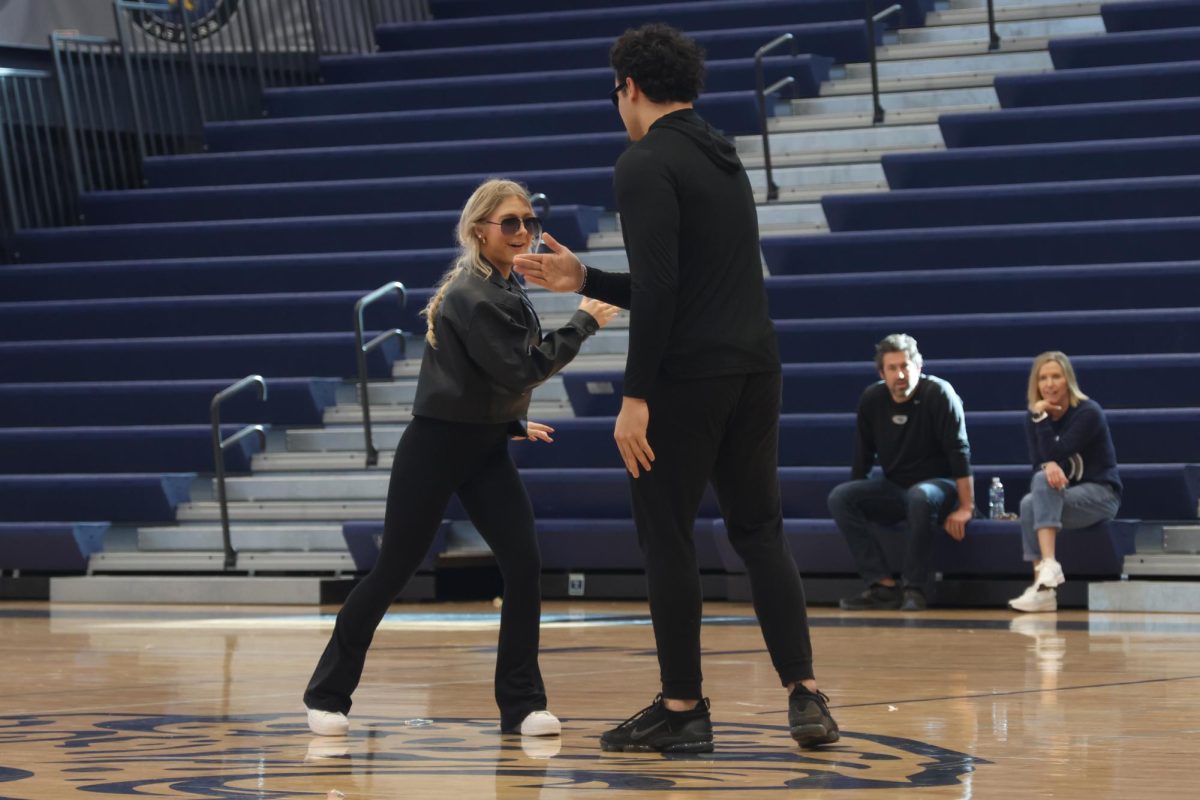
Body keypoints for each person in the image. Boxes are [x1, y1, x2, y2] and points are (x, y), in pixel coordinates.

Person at [513, 23, 838, 753]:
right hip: (756, 368)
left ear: (628, 86)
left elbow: (661, 289)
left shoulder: (642, 161)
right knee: (760, 533)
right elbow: (691, 286)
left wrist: (636, 395)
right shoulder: (724, 156)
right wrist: (585, 280)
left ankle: (684, 708)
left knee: (666, 537)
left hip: (687, 378)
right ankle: (807, 695)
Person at [303, 179, 618, 738]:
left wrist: (510, 421)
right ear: (480, 231)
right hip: (437, 446)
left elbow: (475, 376)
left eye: (529, 222)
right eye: (511, 223)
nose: (524, 232)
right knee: (394, 570)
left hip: (484, 444)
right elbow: (520, 368)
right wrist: (584, 320)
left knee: (522, 564)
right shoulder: (474, 294)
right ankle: (326, 695)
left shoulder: (502, 285)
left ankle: (521, 705)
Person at [827, 334, 975, 612]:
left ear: (919, 366)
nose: (901, 374)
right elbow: (863, 457)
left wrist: (966, 506)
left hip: (941, 487)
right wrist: (859, 496)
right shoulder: (872, 398)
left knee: (920, 496)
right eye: (893, 368)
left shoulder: (939, 393)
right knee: (841, 497)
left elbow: (960, 451)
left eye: (906, 366)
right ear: (882, 373)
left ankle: (915, 588)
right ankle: (882, 586)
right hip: (896, 487)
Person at [1009, 351, 1121, 613]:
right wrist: (1040, 423)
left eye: (1056, 377)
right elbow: (1040, 461)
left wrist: (1042, 424)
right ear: (1035, 384)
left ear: (1067, 379)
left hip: (1101, 495)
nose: (1049, 384)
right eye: (1043, 378)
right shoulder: (1034, 415)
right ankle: (1042, 588)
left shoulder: (1088, 412)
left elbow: (1060, 452)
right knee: (1028, 503)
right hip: (1063, 496)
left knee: (1040, 482)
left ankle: (1050, 563)